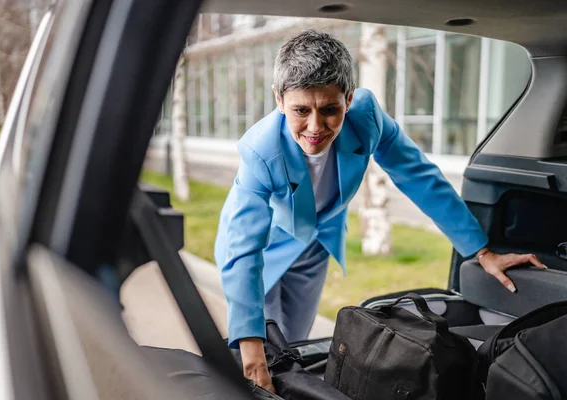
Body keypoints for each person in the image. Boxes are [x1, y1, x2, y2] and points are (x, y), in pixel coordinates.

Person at [214, 30, 546, 393]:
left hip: (315, 245)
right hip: (260, 249)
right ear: (279, 100)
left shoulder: (366, 116)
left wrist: (482, 252)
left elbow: (418, 175)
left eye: (329, 110)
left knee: (292, 347)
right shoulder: (260, 151)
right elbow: (242, 248)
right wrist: (249, 349)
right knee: (257, 354)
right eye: (300, 110)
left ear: (349, 98)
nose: (314, 127)